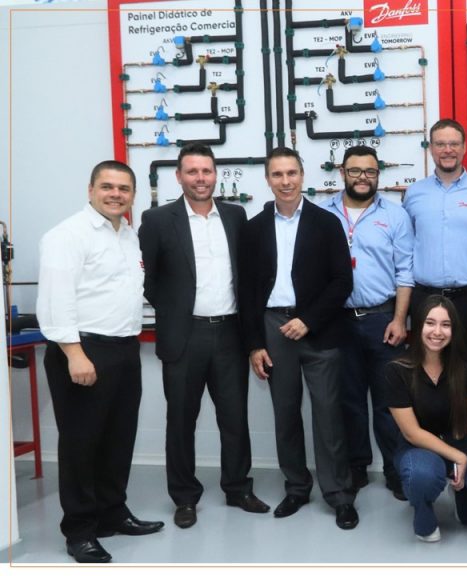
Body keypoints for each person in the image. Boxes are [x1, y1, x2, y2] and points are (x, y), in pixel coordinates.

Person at [37, 161, 164, 563]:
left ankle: (112, 513)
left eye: (124, 189)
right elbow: (56, 300)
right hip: (82, 350)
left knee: (118, 438)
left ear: (133, 196)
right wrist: (75, 354)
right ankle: (79, 531)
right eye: (107, 186)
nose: (116, 194)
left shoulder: (127, 235)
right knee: (81, 444)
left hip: (124, 349)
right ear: (90, 189)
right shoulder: (67, 235)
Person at [139, 143, 268, 529]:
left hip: (229, 333)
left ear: (216, 175)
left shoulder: (235, 215)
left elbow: (245, 274)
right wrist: (174, 311)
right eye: (192, 171)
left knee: (235, 417)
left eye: (206, 171)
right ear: (179, 176)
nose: (200, 178)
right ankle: (184, 497)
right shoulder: (157, 220)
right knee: (181, 420)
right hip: (184, 335)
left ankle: (238, 488)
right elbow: (148, 281)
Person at [238, 147, 359, 530]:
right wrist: (255, 344)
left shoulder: (326, 223)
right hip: (273, 328)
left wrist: (308, 319)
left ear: (302, 176)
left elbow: (342, 281)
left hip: (318, 329)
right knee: (285, 414)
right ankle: (296, 487)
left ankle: (339, 495)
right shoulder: (254, 228)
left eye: (291, 173)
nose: (286, 181)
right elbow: (247, 292)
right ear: (267, 179)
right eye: (277, 174)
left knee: (328, 416)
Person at [323, 145, 413, 501]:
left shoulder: (395, 216)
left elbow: (405, 272)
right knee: (349, 401)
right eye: (355, 170)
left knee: (390, 403)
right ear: (342, 173)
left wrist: (400, 319)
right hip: (338, 322)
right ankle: (356, 468)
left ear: (378, 175)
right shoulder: (322, 213)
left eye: (370, 171)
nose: (363, 177)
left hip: (383, 320)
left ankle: (396, 470)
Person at [383, 295, 467, 542]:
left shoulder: (466, 364)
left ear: (454, 330)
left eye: (446, 325)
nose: (437, 332)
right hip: (418, 448)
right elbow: (411, 433)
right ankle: (423, 513)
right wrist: (458, 457)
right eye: (430, 323)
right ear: (418, 325)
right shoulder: (397, 369)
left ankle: (462, 498)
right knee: (421, 477)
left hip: (460, 441)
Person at [404, 119, 467, 424]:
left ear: (464, 148)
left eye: (454, 144)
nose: (447, 150)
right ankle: (433, 449)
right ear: (431, 148)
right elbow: (406, 250)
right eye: (441, 144)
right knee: (426, 380)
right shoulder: (414, 193)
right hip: (425, 298)